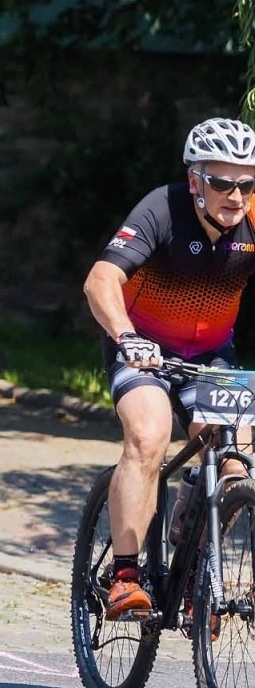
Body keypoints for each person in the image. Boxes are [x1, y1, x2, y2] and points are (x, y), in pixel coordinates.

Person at [82, 117, 255, 620]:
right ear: (196, 181)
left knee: (237, 461)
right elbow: (100, 281)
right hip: (144, 348)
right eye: (222, 182)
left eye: (246, 183)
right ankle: (126, 577)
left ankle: (202, 566)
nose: (235, 195)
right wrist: (126, 337)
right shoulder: (163, 209)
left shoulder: (251, 216)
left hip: (212, 356)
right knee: (149, 436)